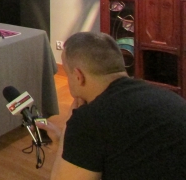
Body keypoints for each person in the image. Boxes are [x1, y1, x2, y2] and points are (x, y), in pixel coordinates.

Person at [38, 32, 186, 180]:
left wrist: (68, 129)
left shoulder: (89, 120)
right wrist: (69, 147)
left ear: (78, 76)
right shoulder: (171, 99)